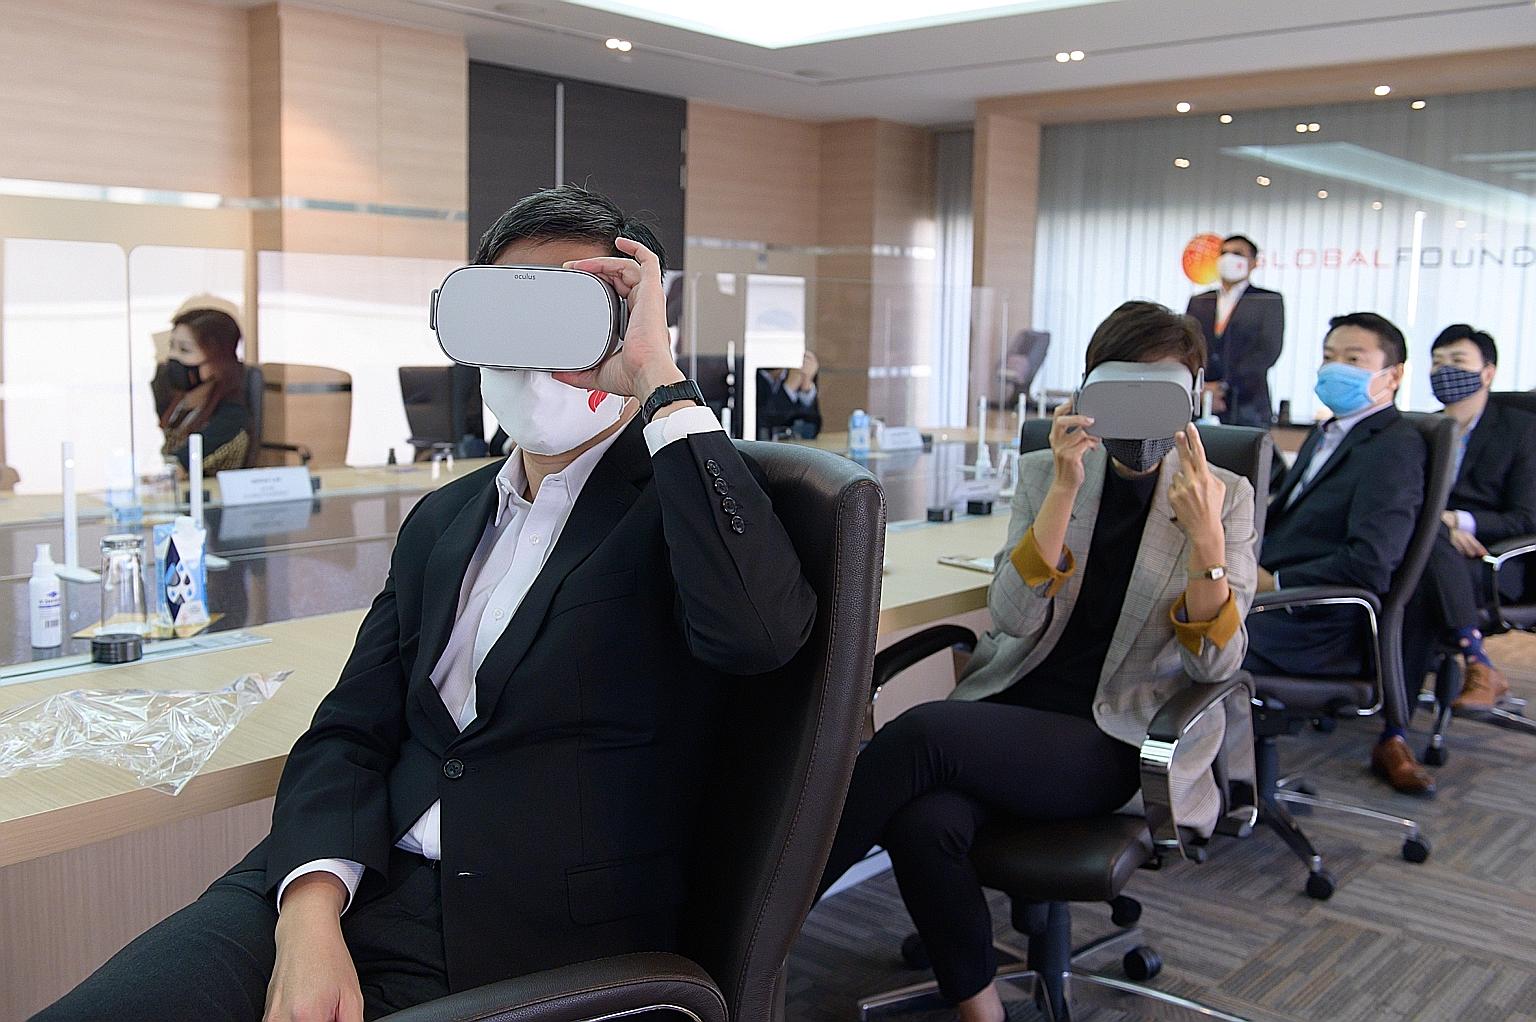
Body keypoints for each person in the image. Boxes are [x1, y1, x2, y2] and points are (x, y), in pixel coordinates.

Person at [36, 185, 817, 1022]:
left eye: (568, 315)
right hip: (340, 883)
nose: (530, 352)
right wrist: (309, 916)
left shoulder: (683, 506)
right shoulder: (445, 519)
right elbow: (350, 728)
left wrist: (659, 378)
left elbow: (758, 635)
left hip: (520, 940)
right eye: (508, 313)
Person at [815, 301, 1257, 1022]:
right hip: (1018, 710)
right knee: (926, 822)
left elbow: (1215, 667)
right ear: (1090, 391)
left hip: (1117, 736)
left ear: (1191, 398)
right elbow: (1016, 618)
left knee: (922, 735)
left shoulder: (1225, 496)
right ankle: (980, 1008)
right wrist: (1062, 489)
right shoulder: (1046, 472)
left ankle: (757, 926)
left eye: (1161, 392)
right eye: (1124, 389)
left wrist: (1206, 542)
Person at [1243, 313, 1431, 795]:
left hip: (1319, 622)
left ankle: (1204, 785)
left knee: (1187, 635)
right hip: (1278, 602)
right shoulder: (1328, 432)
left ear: (1393, 375)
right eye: (1329, 357)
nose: (1335, 369)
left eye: (1353, 359)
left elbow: (1370, 563)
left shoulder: (1394, 447)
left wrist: (1274, 583)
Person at [1402, 325, 1536, 714]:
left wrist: (1457, 520)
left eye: (1457, 361)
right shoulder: (1421, 428)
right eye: (1437, 362)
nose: (1445, 370)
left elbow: (1527, 518)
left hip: (1492, 560)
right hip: (1427, 548)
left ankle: (1396, 715)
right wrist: (1440, 526)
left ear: (1487, 373)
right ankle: (1473, 663)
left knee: (1417, 578)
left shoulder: (1521, 430)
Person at [1185, 234, 1285, 428]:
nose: (1228, 258)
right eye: (1224, 253)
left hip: (1247, 404)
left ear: (1253, 263)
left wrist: (1224, 385)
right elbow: (1188, 346)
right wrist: (1201, 387)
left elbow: (1268, 350)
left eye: (1237, 253)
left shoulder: (1267, 300)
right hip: (1201, 402)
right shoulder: (1200, 301)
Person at [152, 306, 250, 472]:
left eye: (184, 350)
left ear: (219, 360)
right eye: (172, 346)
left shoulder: (230, 418)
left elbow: (177, 469)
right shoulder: (177, 402)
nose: (173, 357)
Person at [757, 350, 821, 439]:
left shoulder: (799, 369)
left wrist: (806, 388)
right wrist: (789, 388)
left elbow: (810, 430)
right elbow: (761, 427)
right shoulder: (746, 372)